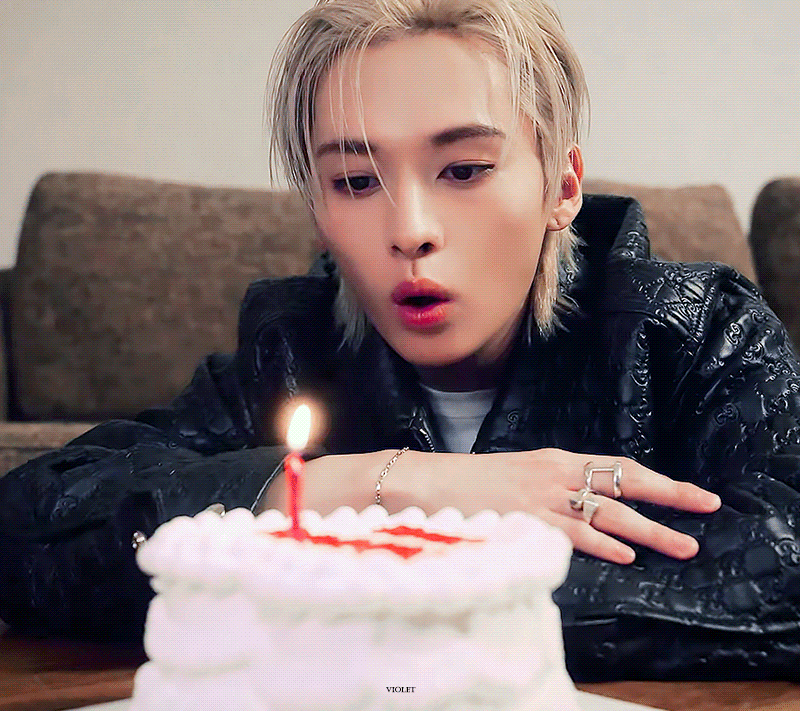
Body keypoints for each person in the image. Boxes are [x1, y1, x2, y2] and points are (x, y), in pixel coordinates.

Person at [1, 0, 800, 681]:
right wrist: (392, 486)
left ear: (561, 186)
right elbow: (26, 527)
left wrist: (349, 577)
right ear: (317, 207)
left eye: (464, 169)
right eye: (355, 181)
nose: (410, 230)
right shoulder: (291, 353)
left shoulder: (694, 332)